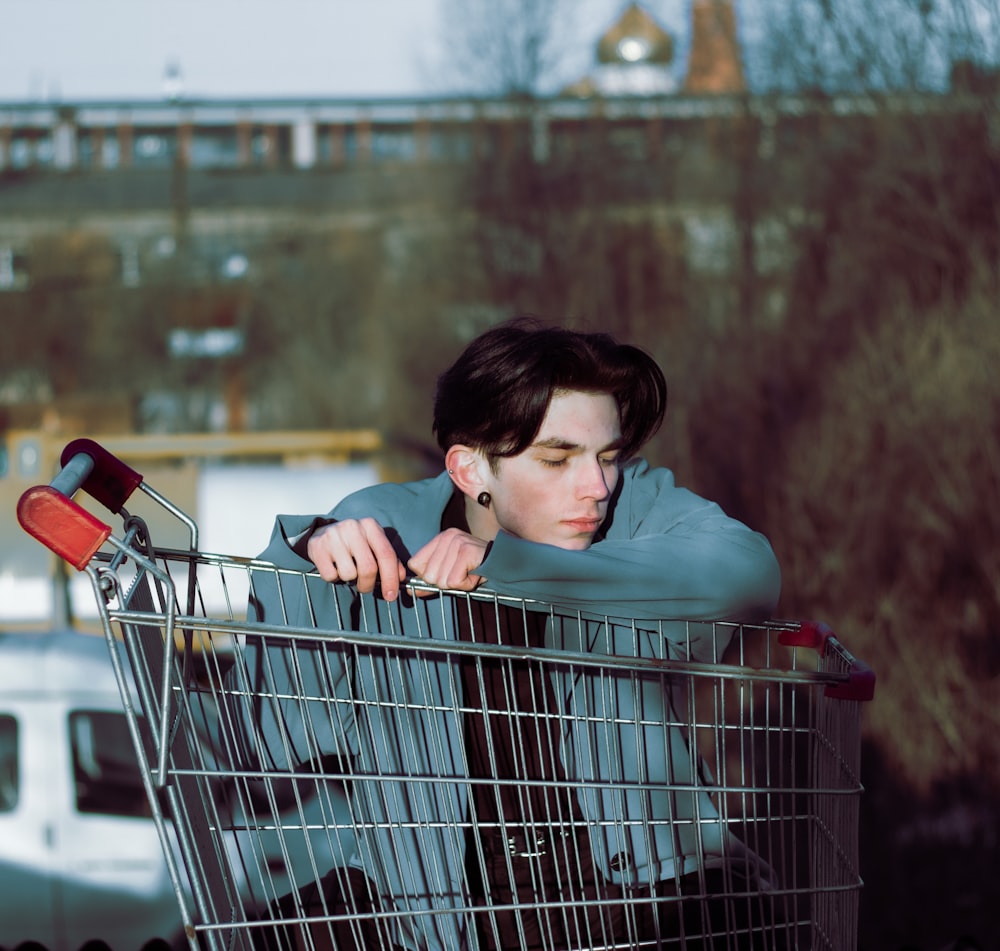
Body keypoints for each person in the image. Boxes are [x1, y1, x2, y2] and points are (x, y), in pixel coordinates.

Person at [229, 318, 782, 951]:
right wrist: (308, 561)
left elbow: (749, 573)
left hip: (640, 903)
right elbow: (275, 733)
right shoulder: (386, 531)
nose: (597, 488)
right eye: (556, 458)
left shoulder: (638, 512)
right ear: (470, 470)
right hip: (449, 911)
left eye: (607, 456)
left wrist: (511, 567)